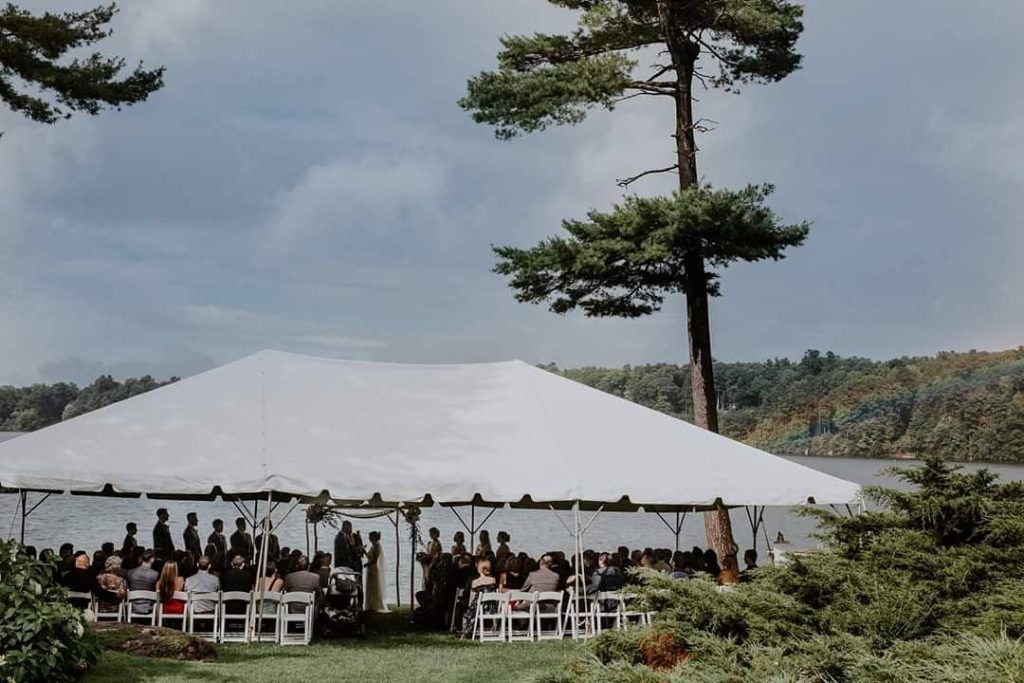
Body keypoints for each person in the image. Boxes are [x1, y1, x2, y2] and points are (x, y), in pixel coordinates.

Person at [126, 550, 159, 615]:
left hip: (133, 605)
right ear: (152, 559)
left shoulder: (130, 572)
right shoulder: (155, 574)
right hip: (149, 606)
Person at [363, 531, 389, 613]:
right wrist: (364, 551)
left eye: (370, 537)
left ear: (374, 537)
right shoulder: (373, 546)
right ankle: (370, 605)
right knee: (370, 586)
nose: (369, 538)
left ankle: (375, 605)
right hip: (370, 567)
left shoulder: (377, 546)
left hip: (373, 568)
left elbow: (374, 559)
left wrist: (368, 564)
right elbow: (369, 556)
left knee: (374, 586)